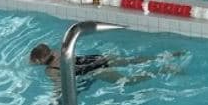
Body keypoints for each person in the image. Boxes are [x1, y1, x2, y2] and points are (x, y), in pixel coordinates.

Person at [29, 41, 161, 85]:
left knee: (128, 81)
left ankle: (162, 70)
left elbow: (60, 88)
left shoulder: (51, 70)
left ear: (40, 61)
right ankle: (162, 57)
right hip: (96, 59)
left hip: (96, 71)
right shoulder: (59, 51)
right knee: (131, 60)